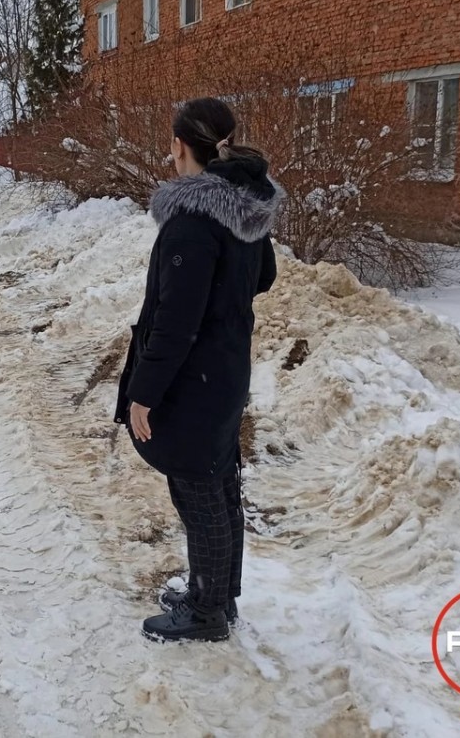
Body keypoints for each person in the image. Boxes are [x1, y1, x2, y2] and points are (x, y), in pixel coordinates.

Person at [114, 97, 284, 643]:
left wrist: (143, 392)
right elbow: (264, 277)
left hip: (194, 380)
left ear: (182, 146)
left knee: (199, 492)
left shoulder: (192, 221)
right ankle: (217, 595)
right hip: (226, 369)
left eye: (171, 143)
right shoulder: (246, 204)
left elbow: (175, 321)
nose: (169, 152)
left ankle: (208, 613)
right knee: (218, 486)